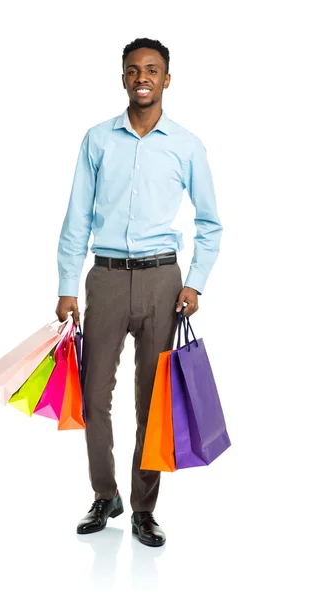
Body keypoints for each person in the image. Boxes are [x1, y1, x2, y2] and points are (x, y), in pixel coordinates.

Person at [55, 37, 223, 547]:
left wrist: (195, 281)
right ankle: (105, 495)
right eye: (133, 69)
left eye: (152, 69)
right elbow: (76, 218)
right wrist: (67, 287)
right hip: (103, 279)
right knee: (93, 396)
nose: (142, 77)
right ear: (123, 77)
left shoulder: (187, 144)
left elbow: (211, 222)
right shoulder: (96, 139)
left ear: (167, 79)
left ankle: (144, 508)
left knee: (153, 401)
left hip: (162, 284)